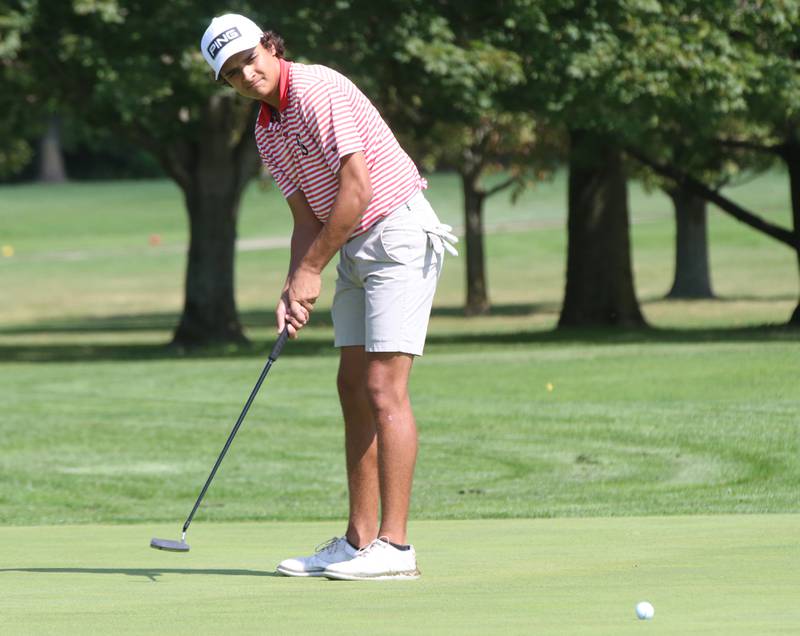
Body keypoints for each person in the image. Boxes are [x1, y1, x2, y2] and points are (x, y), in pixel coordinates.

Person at [200, 14, 457, 581]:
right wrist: (294, 285)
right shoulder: (267, 127)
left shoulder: (317, 89)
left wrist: (313, 268)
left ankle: (396, 547)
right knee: (351, 386)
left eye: (250, 58)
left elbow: (357, 188)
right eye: (233, 73)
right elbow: (304, 217)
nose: (247, 74)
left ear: (270, 46)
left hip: (397, 233)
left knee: (383, 387)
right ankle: (359, 540)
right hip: (350, 244)